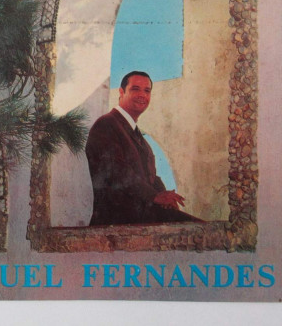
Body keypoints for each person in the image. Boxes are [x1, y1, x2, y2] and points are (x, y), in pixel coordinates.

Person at [86, 71, 203, 225]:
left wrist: (166, 197)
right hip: (116, 222)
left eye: (147, 91)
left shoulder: (138, 135)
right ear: (121, 92)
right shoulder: (106, 124)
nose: (142, 95)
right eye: (135, 89)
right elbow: (116, 172)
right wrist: (154, 196)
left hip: (143, 218)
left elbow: (151, 177)